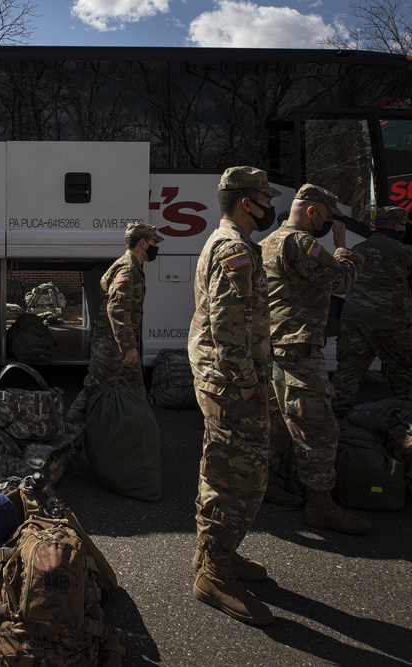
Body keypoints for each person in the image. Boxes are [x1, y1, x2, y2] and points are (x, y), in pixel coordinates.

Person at [188, 166, 277, 626]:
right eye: (264, 198)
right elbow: (227, 327)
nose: (268, 207)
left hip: (223, 375)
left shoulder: (223, 241)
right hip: (231, 380)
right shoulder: (233, 247)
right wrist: (245, 382)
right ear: (248, 202)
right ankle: (215, 573)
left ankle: (216, 552)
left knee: (221, 465)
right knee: (239, 476)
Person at [261, 183, 369, 535]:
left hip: (272, 347)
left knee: (277, 423)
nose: (328, 223)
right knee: (319, 427)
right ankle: (320, 507)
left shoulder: (267, 242)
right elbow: (341, 281)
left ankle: (268, 483)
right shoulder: (300, 243)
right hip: (298, 349)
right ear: (312, 212)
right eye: (327, 217)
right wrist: (342, 247)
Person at [66, 222, 162, 423]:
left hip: (121, 345)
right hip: (111, 346)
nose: (156, 246)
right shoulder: (126, 270)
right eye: (154, 241)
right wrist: (128, 347)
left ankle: (140, 433)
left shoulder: (134, 268)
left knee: (136, 388)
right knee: (93, 388)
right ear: (143, 243)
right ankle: (68, 429)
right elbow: (116, 310)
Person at [330, 206, 412, 416]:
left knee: (347, 375)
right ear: (396, 226)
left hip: (355, 322)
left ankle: (334, 426)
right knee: (404, 379)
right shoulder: (403, 252)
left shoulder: (358, 249)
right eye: (403, 226)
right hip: (392, 325)